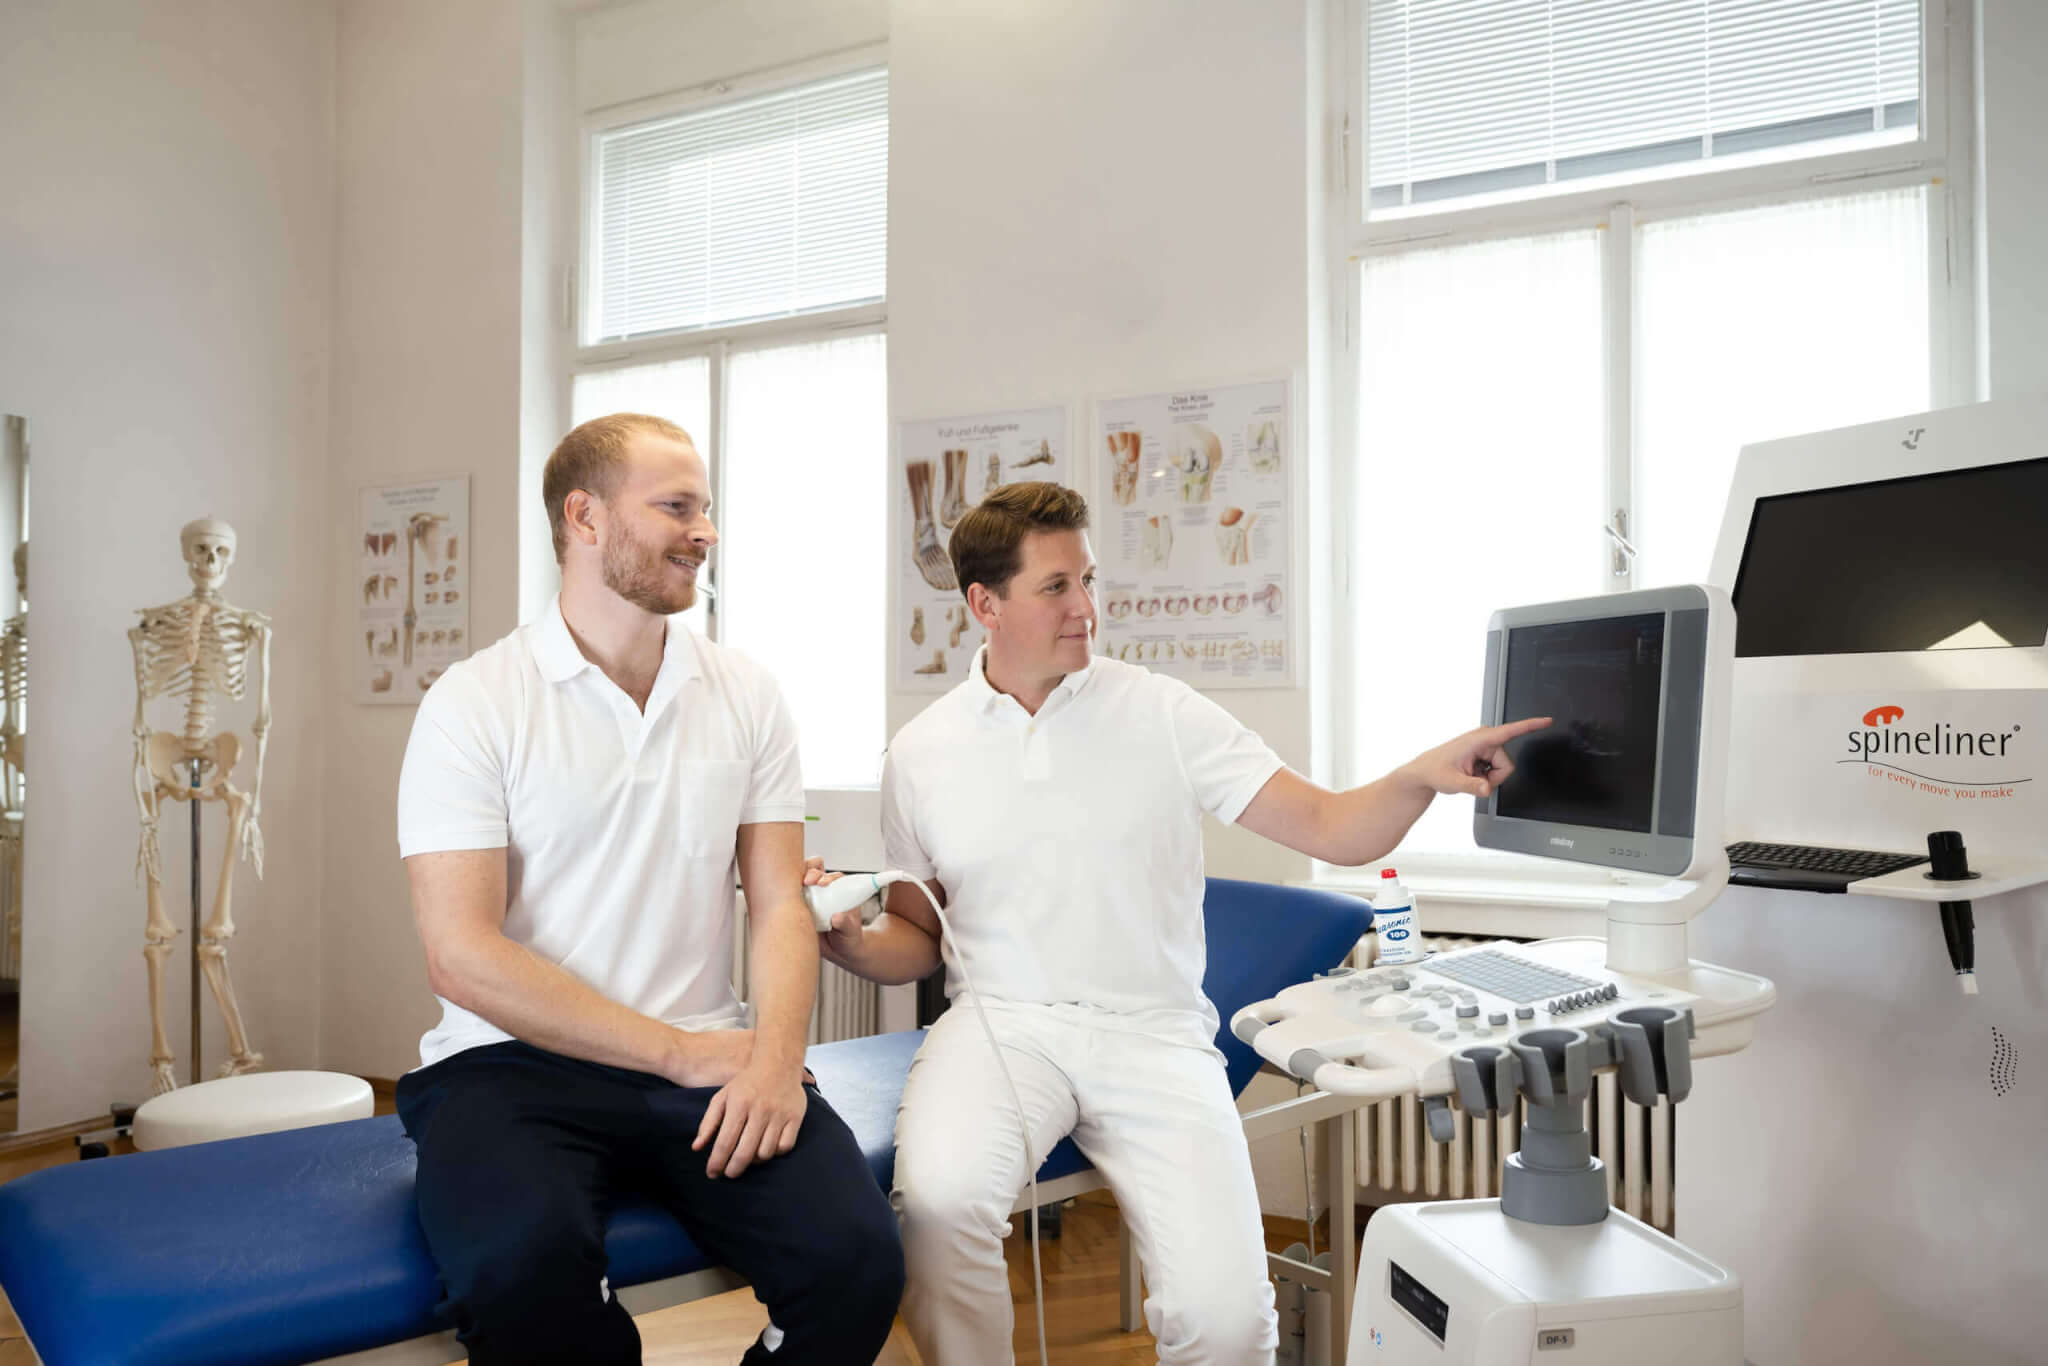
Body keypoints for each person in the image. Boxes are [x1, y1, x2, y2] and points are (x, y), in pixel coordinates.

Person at [820, 481, 1545, 1364]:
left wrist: (1419, 777)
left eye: (1088, 580)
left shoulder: (1160, 712)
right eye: (1056, 587)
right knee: (937, 1207)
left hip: (1155, 1033)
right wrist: (852, 943)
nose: (1086, 608)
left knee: (1227, 1321)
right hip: (1001, 1029)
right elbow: (918, 937)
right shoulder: (921, 753)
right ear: (985, 603)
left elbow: (1330, 826)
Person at [396, 413, 904, 1365]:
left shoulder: (745, 693)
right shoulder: (475, 702)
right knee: (524, 1277)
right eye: (676, 506)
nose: (704, 531)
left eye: (705, 508)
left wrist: (772, 1057)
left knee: (857, 1263)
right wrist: (675, 1055)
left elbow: (779, 901)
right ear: (583, 518)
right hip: (509, 1069)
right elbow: (462, 955)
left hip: (710, 1054)